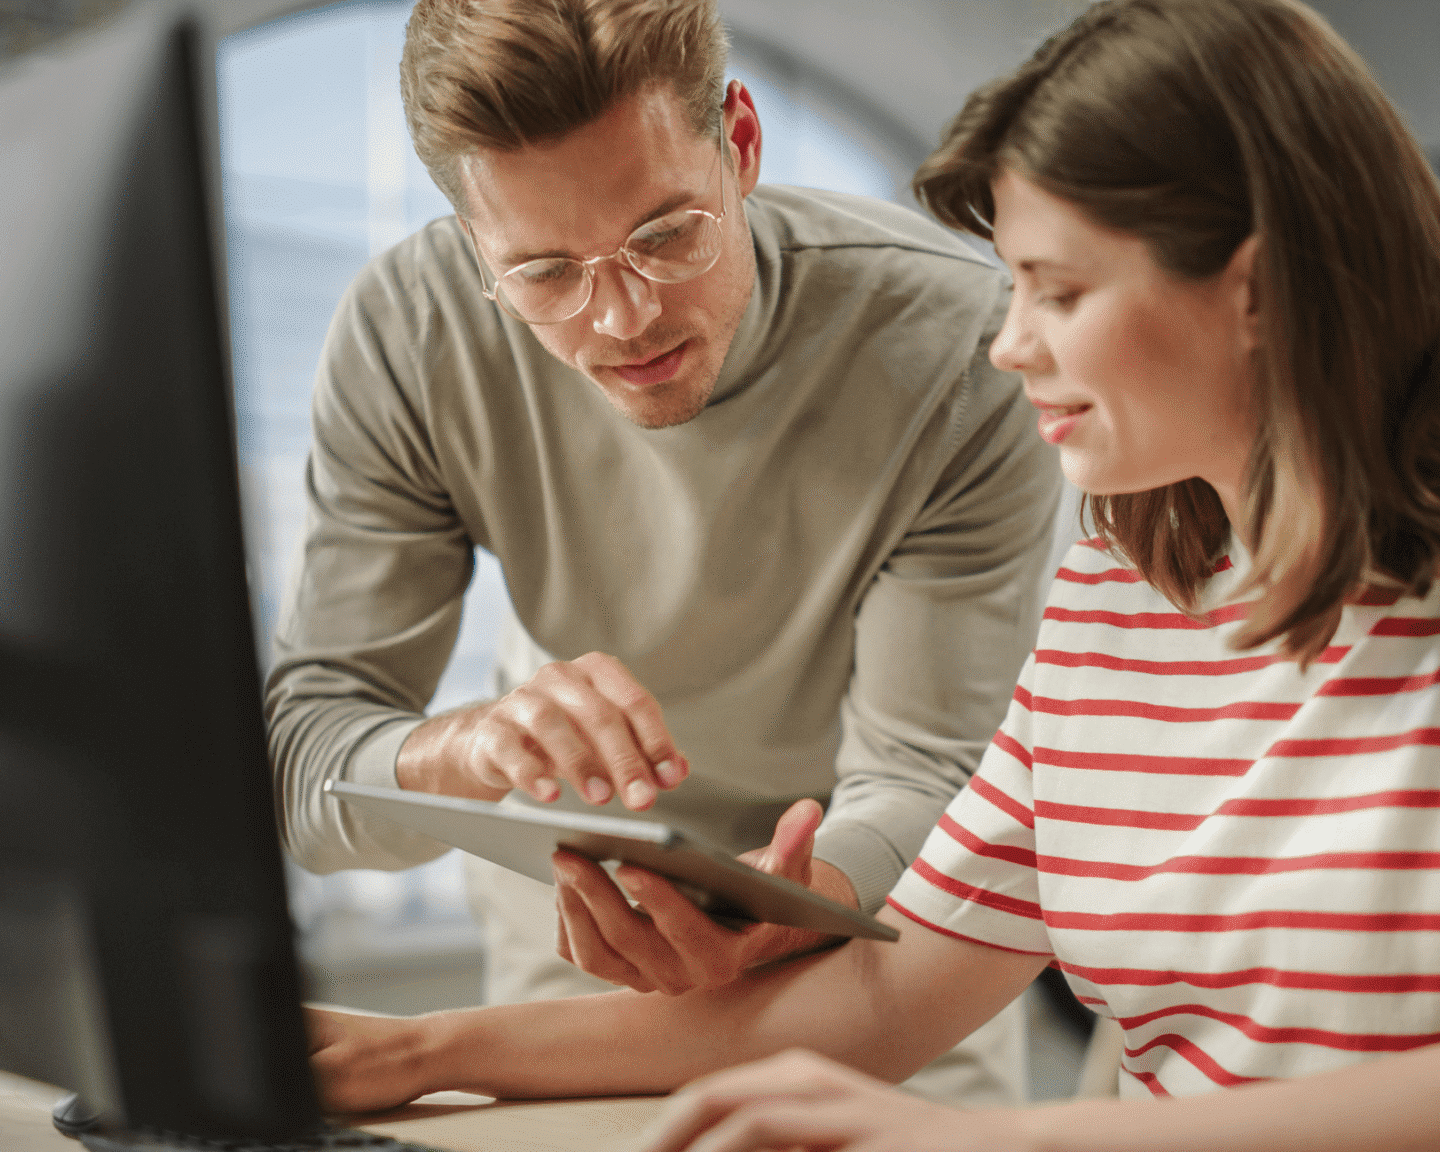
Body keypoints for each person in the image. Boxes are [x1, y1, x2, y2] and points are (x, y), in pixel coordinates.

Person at [303, 1, 1440, 1149]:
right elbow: (877, 1000)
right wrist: (410, 1050)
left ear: (1255, 287)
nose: (1006, 347)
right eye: (1012, 287)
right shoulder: (1121, 605)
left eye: (1057, 293)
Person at [266, 0, 1060, 1104]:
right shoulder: (410, 333)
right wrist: (464, 752)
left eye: (665, 233)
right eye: (544, 272)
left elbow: (930, 776)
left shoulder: (957, 351)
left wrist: (780, 905)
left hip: (875, 966)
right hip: (574, 973)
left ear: (738, 143)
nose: (624, 318)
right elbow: (304, 767)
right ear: (466, 246)